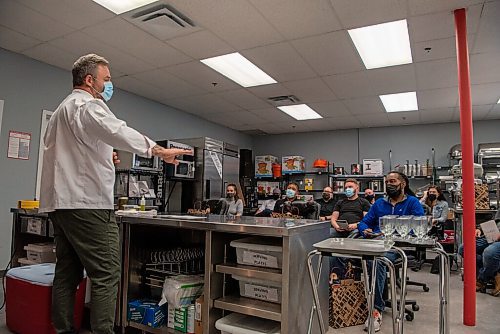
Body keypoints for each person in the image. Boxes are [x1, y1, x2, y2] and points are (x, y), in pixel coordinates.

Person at [39, 54, 192, 334]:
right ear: (89, 80)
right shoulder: (89, 106)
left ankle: (62, 329)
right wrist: (157, 150)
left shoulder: (62, 110)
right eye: (106, 79)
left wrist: (104, 155)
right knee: (107, 274)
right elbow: (118, 131)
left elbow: (74, 152)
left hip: (60, 205)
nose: (109, 84)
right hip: (87, 205)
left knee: (67, 273)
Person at [357, 171, 424, 332]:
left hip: (399, 246)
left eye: (393, 181)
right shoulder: (379, 203)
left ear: (403, 184)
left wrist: (399, 232)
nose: (389, 184)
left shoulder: (413, 203)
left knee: (377, 260)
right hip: (376, 242)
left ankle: (375, 310)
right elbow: (364, 222)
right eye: (387, 182)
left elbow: (420, 227)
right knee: (357, 257)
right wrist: (365, 230)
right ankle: (360, 300)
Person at [459, 208, 500, 296]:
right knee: (464, 249)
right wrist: (480, 229)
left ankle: (482, 279)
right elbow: (495, 221)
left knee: (490, 252)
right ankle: (493, 273)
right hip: (492, 234)